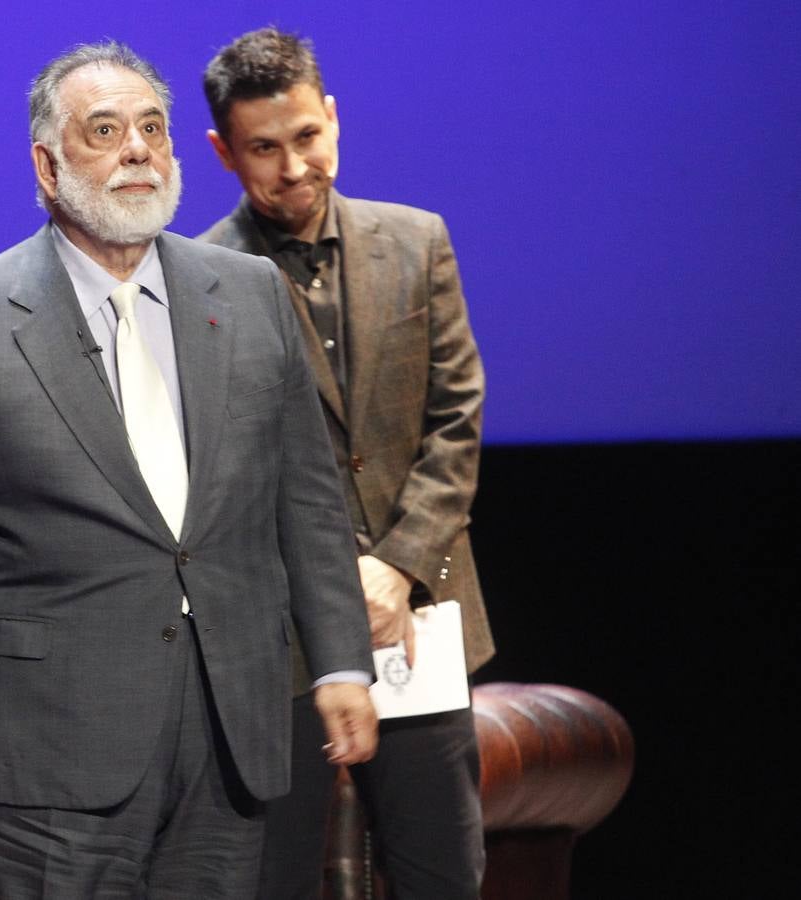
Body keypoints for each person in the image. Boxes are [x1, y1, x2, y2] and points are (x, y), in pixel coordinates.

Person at [0, 41, 379, 898]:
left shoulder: (247, 292)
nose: (137, 148)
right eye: (104, 130)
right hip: (47, 745)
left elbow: (306, 498)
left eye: (151, 128)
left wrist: (339, 664)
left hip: (229, 732)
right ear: (47, 164)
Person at [198, 28, 494, 900]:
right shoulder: (199, 280)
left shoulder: (416, 241)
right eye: (263, 149)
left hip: (421, 619)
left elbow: (455, 421)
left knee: (442, 875)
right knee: (273, 878)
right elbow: (224, 474)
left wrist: (397, 565)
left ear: (331, 118)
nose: (293, 167)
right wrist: (332, 585)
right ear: (222, 151)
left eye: (306, 137)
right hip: (279, 642)